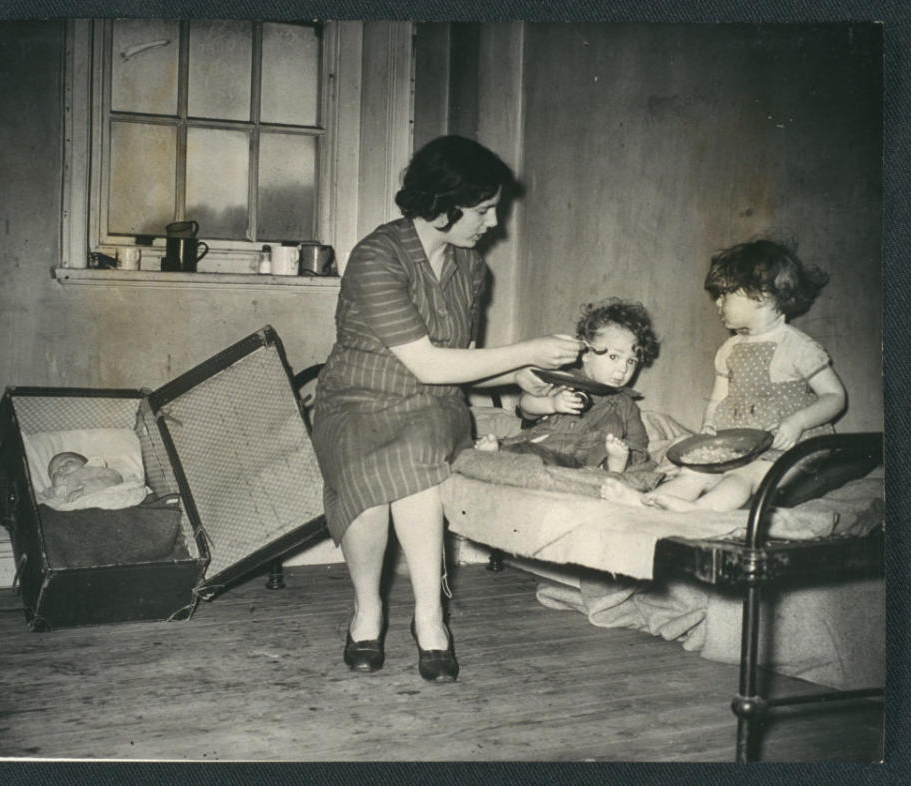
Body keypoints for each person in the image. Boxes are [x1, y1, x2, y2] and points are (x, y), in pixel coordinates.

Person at [311, 135, 583, 681]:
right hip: (355, 399)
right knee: (366, 479)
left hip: (432, 404)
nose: (494, 223)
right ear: (442, 205)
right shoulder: (376, 258)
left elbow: (459, 361)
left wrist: (517, 373)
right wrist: (529, 348)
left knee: (417, 461)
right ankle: (369, 610)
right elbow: (428, 362)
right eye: (483, 210)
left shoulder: (471, 267)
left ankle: (431, 619)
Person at [602, 238, 846, 512]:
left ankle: (702, 511)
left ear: (762, 295)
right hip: (737, 447)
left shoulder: (797, 346)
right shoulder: (728, 350)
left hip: (787, 449)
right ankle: (647, 503)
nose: (718, 302)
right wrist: (708, 427)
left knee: (740, 478)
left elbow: (835, 396)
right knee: (692, 473)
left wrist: (798, 422)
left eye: (725, 294)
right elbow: (718, 400)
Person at [475, 298, 660, 474]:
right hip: (548, 445)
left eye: (631, 361)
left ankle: (612, 467)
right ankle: (499, 453)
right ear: (586, 353)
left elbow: (639, 442)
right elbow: (525, 406)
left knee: (610, 451)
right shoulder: (564, 379)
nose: (623, 369)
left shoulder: (625, 404)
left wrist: (627, 454)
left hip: (588, 458)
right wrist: (552, 404)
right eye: (614, 357)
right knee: (525, 450)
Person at [41, 451, 124, 503]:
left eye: (68, 462)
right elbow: (44, 498)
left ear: (86, 463)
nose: (61, 468)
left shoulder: (91, 470)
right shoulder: (56, 489)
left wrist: (85, 489)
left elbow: (114, 478)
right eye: (55, 473)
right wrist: (56, 489)